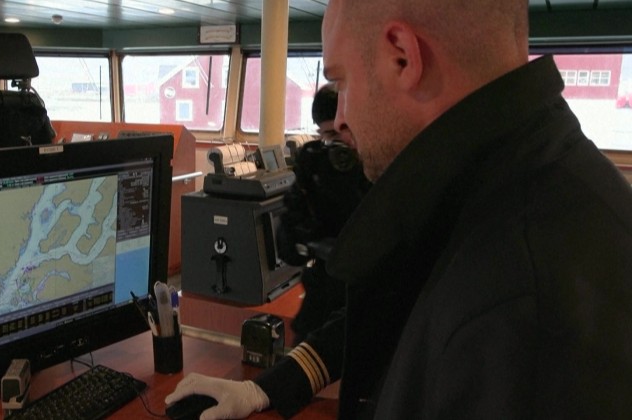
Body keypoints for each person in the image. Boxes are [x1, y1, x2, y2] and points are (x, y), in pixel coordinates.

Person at [166, 0, 632, 418]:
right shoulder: (503, 186)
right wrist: (266, 388)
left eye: (341, 82)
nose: (341, 118)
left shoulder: (525, 303)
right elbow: (386, 315)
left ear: (402, 57)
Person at [277, 83, 370, 343]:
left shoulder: (377, 168)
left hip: (365, 305)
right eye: (328, 135)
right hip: (322, 299)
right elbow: (287, 247)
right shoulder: (316, 167)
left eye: (344, 132)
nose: (339, 145)